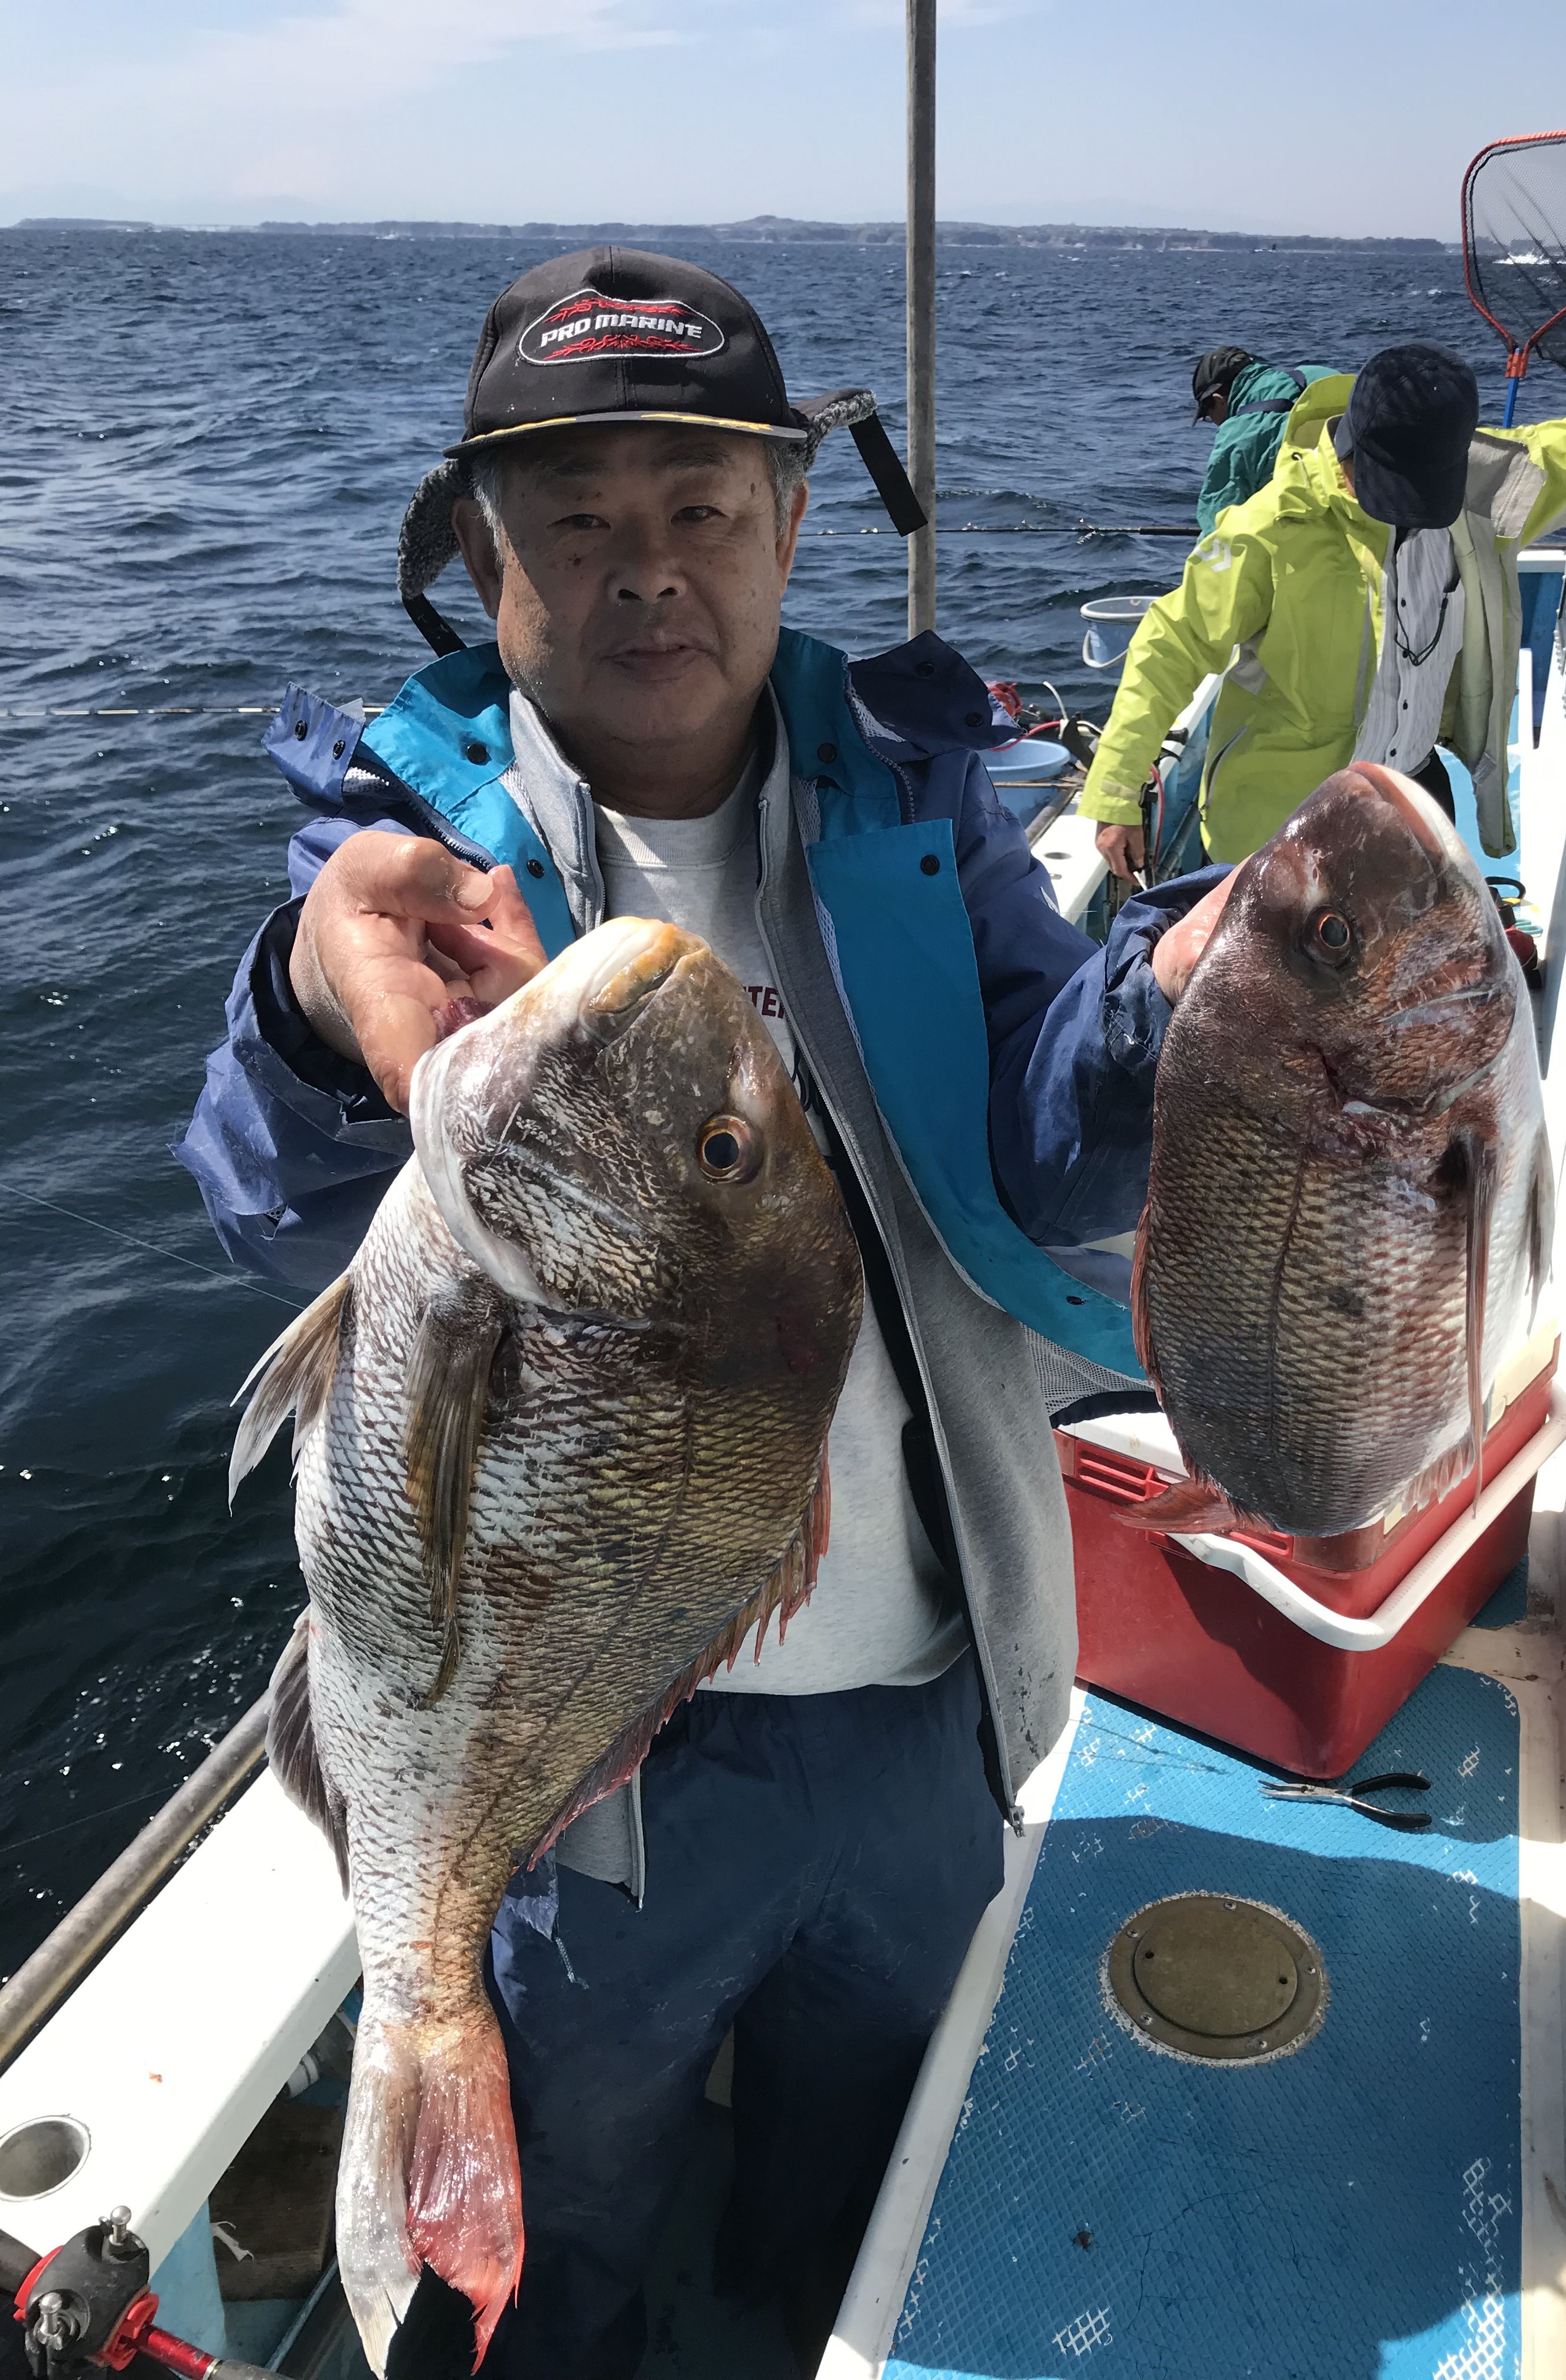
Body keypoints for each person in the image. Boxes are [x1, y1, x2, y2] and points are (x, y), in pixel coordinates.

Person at [175, 247, 1217, 2379]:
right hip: (600, 1786)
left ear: (789, 526)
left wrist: (1153, 1033)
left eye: (700, 508)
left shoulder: (913, 795)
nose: (646, 566)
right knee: (563, 2206)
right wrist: (306, 1008)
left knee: (863, 2143)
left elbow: (1042, 1142)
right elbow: (267, 1212)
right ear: (485, 556)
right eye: (576, 521)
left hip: (922, 1697)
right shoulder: (411, 852)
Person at [1087, 259, 1566, 880]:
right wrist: (1117, 790)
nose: (1414, 512)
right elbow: (1171, 643)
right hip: (1283, 826)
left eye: (1430, 493)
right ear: (1351, 446)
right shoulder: (1266, 530)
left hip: (1407, 795)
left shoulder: (1480, 490)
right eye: (1396, 492)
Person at [1189, 344, 1340, 535]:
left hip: (1317, 540)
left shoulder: (1236, 438)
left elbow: (1217, 527)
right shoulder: (1321, 376)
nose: (1216, 424)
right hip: (1368, 512)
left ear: (1219, 400)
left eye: (1209, 415)